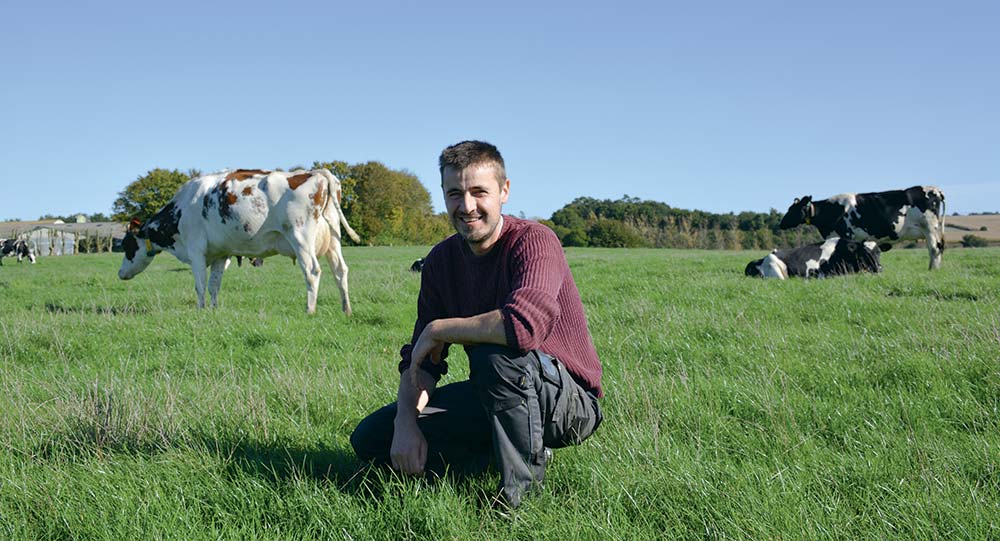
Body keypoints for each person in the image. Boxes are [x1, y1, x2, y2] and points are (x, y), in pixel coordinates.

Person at [350, 140, 604, 508]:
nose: (466, 206)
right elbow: (422, 361)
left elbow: (523, 327)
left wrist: (440, 328)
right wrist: (406, 422)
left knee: (494, 355)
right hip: (499, 393)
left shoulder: (535, 241)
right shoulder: (440, 262)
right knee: (372, 436)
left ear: (504, 191)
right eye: (454, 193)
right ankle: (493, 457)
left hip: (567, 405)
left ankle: (522, 499)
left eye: (478, 192)